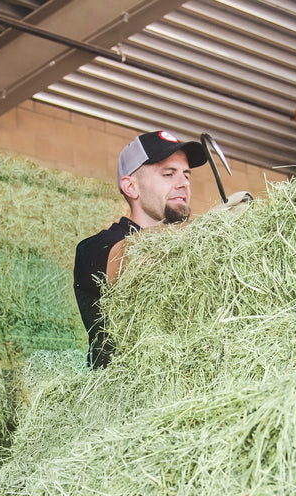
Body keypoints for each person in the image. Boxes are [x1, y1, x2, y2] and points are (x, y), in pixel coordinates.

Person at [73, 130, 209, 368]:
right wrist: (213, 227)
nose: (184, 184)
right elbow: (135, 255)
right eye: (168, 174)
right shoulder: (94, 249)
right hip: (123, 395)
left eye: (187, 175)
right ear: (131, 187)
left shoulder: (192, 249)